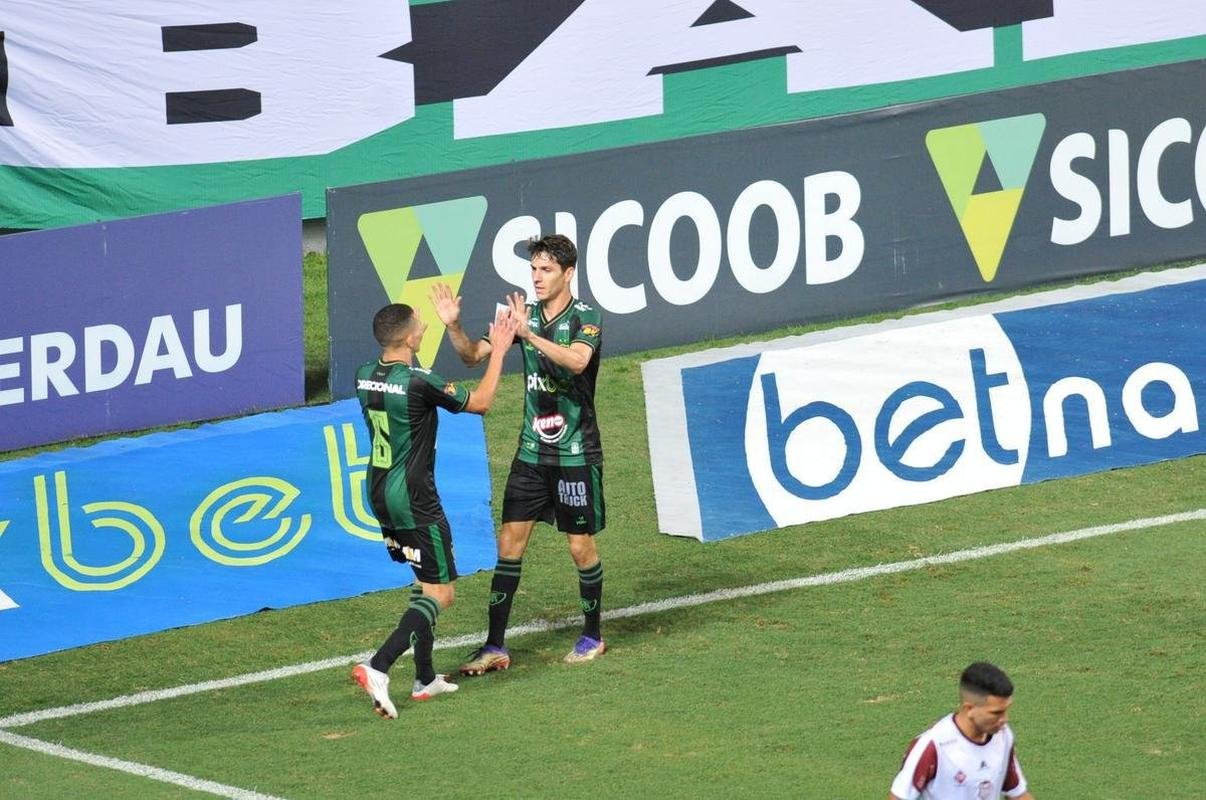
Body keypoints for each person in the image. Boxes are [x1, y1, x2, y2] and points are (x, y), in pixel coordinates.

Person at [429, 233, 607, 672]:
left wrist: (529, 335)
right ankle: (494, 645)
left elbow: (578, 361)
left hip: (575, 454)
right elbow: (473, 356)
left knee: (580, 547)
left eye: (546, 270)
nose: (537, 277)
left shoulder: (586, 316)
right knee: (509, 544)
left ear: (568, 273)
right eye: (533, 269)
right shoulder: (516, 315)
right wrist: (453, 326)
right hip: (531, 454)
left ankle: (592, 634)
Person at [351, 302, 515, 719]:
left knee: (423, 580)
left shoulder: (364, 374)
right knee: (442, 592)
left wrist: (453, 324)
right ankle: (379, 665)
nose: (424, 328)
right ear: (409, 338)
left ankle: (424, 678)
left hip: (378, 490)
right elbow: (480, 402)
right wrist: (498, 350)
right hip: (416, 498)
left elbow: (405, 384)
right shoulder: (419, 381)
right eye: (420, 326)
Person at [890, 661, 1034, 800]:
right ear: (969, 709)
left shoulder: (1002, 736)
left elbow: (1017, 794)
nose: (1004, 719)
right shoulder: (933, 745)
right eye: (996, 713)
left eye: (1006, 710)